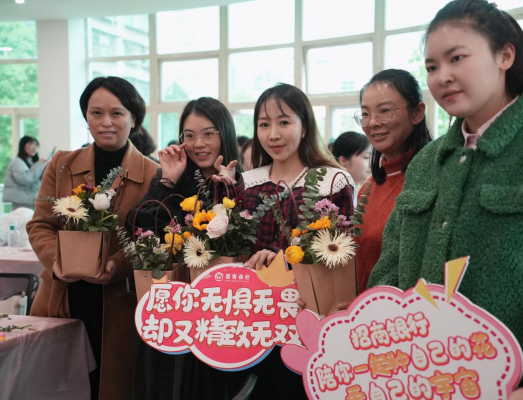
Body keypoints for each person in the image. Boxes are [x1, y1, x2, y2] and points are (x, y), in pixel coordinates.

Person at [369, 1, 523, 399]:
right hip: (417, 380)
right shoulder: (426, 162)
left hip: (516, 386)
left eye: (457, 58)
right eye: (432, 67)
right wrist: (367, 332)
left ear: (505, 55)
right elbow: (389, 268)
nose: (443, 76)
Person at [26, 76, 159, 400]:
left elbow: (152, 238)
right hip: (62, 296)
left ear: (134, 119)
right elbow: (40, 225)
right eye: (96, 113)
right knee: (53, 387)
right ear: (86, 117)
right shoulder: (62, 164)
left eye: (116, 113)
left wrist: (118, 264)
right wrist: (56, 261)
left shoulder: (152, 173)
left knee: (111, 385)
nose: (105, 122)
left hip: (119, 304)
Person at [237, 83, 354, 399]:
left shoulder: (332, 180)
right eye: (264, 124)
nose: (273, 134)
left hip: (312, 319)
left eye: (284, 122)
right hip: (256, 321)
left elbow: (340, 254)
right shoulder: (248, 183)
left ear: (304, 128)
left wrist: (282, 258)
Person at [125, 97, 246, 400]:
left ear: (224, 134)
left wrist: (229, 190)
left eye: (208, 134)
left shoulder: (243, 183)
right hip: (172, 317)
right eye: (189, 135)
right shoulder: (175, 180)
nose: (198, 144)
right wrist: (167, 178)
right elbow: (138, 226)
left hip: (221, 319)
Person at [354, 70, 432, 293]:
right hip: (363, 309)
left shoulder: (432, 180)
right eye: (365, 114)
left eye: (385, 111)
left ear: (417, 113)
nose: (372, 123)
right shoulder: (368, 188)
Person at [2, 136, 48, 210]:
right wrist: (39, 165)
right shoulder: (17, 162)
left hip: (29, 200)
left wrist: (45, 168)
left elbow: (39, 180)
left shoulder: (31, 162)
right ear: (23, 145)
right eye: (31, 144)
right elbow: (26, 179)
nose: (34, 148)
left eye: (36, 145)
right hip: (21, 202)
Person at [331, 131, 372, 205]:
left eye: (373, 158)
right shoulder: (331, 197)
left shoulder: (370, 193)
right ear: (343, 161)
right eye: (367, 157)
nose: (371, 164)